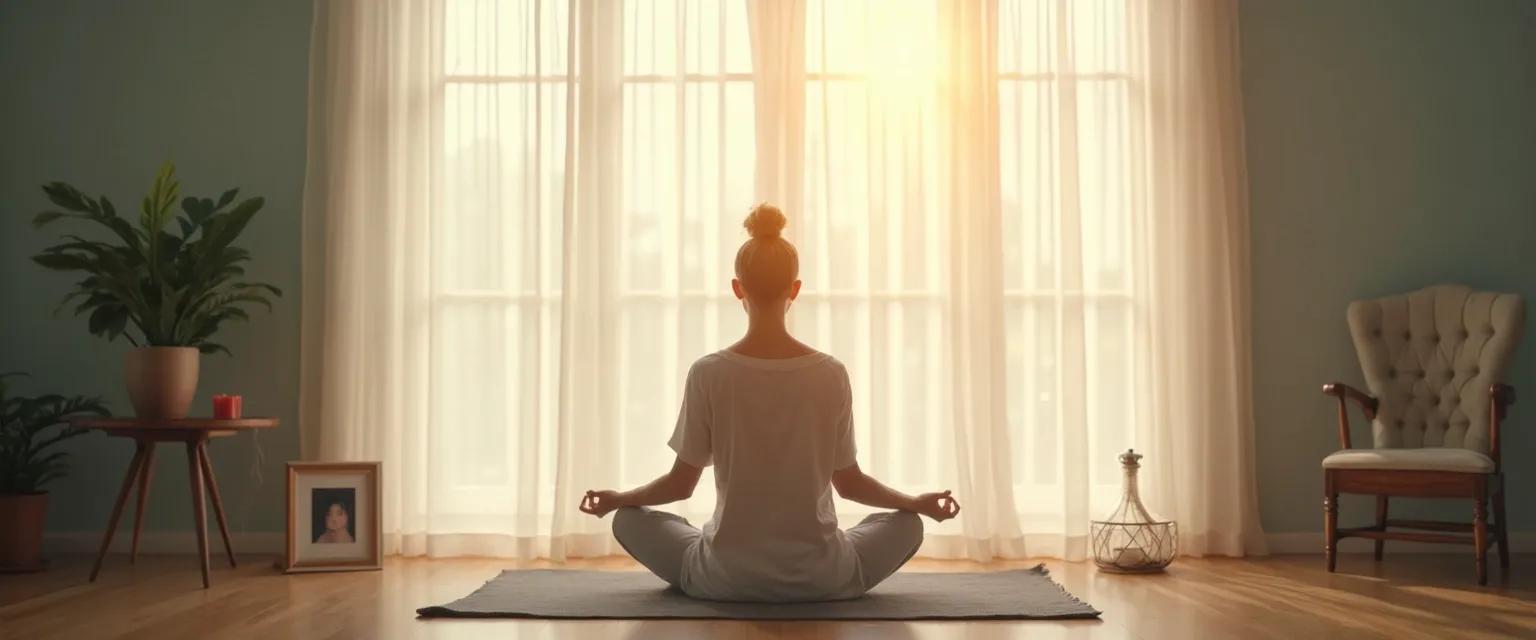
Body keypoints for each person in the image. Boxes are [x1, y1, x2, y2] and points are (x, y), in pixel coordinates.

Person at [579, 203, 961, 603]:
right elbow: (849, 483)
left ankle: (713, 554)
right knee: (907, 525)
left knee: (628, 520)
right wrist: (916, 503)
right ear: (795, 288)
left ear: (737, 288)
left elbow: (680, 483)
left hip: (723, 578)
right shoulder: (830, 373)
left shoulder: (709, 373)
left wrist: (616, 499)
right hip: (823, 578)